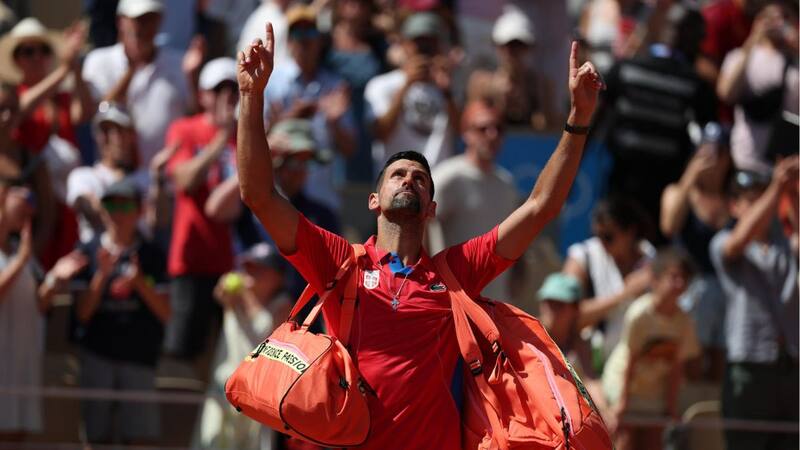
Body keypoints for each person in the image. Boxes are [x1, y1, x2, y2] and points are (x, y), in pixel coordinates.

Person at [236, 21, 603, 449]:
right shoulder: (341, 263)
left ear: (432, 208)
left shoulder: (454, 275)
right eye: (397, 175)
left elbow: (539, 208)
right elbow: (258, 194)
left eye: (419, 178)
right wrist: (251, 97)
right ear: (374, 200)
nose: (408, 180)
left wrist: (578, 119)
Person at [600, 3, 716, 242]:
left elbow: (591, 119)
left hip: (621, 183)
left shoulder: (625, 69)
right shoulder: (695, 85)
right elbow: (708, 140)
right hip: (659, 193)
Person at [70, 177, 170, 445]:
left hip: (139, 356)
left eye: (125, 207)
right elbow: (81, 314)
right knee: (95, 438)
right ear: (102, 210)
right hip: (96, 356)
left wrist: (139, 283)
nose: (118, 213)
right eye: (111, 205)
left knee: (139, 440)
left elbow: (165, 313)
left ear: (139, 211)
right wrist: (101, 276)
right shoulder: (86, 251)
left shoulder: (152, 254)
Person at [709, 159, 799, 450]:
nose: (764, 204)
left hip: (791, 366)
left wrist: (792, 191)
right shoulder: (723, 241)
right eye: (752, 200)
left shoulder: (784, 245)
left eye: (766, 198)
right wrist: (776, 185)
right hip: (749, 368)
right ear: (734, 206)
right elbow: (738, 242)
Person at [163, 57, 238, 362]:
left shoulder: (247, 135)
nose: (227, 98)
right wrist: (222, 137)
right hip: (190, 261)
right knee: (181, 358)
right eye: (218, 90)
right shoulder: (185, 129)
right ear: (203, 95)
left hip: (230, 264)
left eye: (233, 90)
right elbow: (184, 180)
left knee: (225, 357)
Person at [0, 17, 91, 268]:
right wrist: (63, 70)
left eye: (43, 50)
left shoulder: (60, 97)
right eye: (28, 51)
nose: (37, 57)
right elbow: (22, 107)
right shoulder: (14, 97)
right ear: (17, 59)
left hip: (63, 201)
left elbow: (82, 113)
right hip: (31, 199)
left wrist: (75, 68)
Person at [82, 0, 201, 183]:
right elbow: (99, 115)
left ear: (160, 20)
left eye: (149, 18)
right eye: (136, 19)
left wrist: (192, 79)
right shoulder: (98, 61)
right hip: (116, 184)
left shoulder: (180, 64)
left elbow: (194, 118)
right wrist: (131, 70)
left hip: (166, 183)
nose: (142, 26)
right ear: (121, 21)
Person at [195, 242, 292, 450]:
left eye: (259, 268)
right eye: (249, 267)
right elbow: (218, 294)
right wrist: (227, 289)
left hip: (258, 395)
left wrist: (244, 297)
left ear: (277, 277)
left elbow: (268, 330)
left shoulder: (284, 306)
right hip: (223, 387)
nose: (251, 273)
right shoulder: (235, 297)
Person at [602, 247, 700, 450]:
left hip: (654, 394)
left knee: (653, 444)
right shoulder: (639, 314)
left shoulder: (684, 322)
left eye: (684, 279)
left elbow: (676, 368)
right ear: (656, 279)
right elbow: (630, 361)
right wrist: (622, 404)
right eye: (673, 277)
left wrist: (671, 407)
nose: (679, 284)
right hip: (625, 387)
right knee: (625, 442)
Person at [264, 4, 356, 213]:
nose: (304, 39)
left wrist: (334, 123)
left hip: (323, 196)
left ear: (320, 40)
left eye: (311, 31)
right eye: (297, 32)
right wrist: (290, 118)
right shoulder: (271, 82)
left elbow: (350, 148)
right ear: (288, 41)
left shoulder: (336, 86)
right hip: (280, 196)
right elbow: (255, 143)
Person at [427, 100, 520, 300]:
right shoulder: (447, 177)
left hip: (494, 303)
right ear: (465, 133)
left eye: (498, 129)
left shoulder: (506, 184)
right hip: (454, 299)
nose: (492, 135)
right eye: (482, 128)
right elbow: (422, 230)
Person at [660, 123, 731, 380]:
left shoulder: (734, 198)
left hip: (727, 291)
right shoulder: (677, 192)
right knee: (690, 362)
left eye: (719, 152)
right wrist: (691, 175)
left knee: (720, 366)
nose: (712, 159)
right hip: (692, 290)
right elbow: (669, 226)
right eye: (705, 150)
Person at [563, 197, 656, 361]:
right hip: (588, 364)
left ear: (630, 232)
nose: (601, 243)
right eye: (597, 235)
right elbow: (564, 317)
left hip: (635, 366)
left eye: (608, 236)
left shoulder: (652, 260)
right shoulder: (582, 256)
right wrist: (623, 295)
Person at [364, 12, 459, 173]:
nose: (424, 49)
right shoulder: (381, 85)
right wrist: (406, 84)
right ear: (404, 45)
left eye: (430, 43)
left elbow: (462, 134)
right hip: (395, 181)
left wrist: (447, 93)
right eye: (418, 43)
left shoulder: (450, 86)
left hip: (437, 184)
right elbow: (380, 133)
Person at [716, 1, 799, 176]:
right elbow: (726, 93)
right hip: (744, 158)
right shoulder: (740, 55)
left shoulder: (796, 63)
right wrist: (753, 38)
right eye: (770, 17)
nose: (777, 23)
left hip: (784, 166)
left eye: (785, 17)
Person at [466, 6, 561, 131]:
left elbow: (551, 129)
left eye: (519, 45)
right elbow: (469, 126)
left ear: (529, 48)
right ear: (497, 47)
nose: (512, 52)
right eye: (507, 45)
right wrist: (496, 105)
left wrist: (530, 103)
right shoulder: (481, 83)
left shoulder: (542, 85)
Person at [0, 173, 41, 442]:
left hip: (21, 364)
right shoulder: (22, 254)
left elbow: (41, 301)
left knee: (17, 437)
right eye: (19, 195)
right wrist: (21, 259)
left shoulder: (20, 250)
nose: (27, 204)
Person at [66, 103, 138, 243]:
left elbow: (159, 220)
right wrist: (131, 209)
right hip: (96, 258)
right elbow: (87, 206)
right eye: (105, 131)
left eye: (119, 131)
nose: (113, 138)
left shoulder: (147, 177)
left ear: (131, 136)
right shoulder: (82, 176)